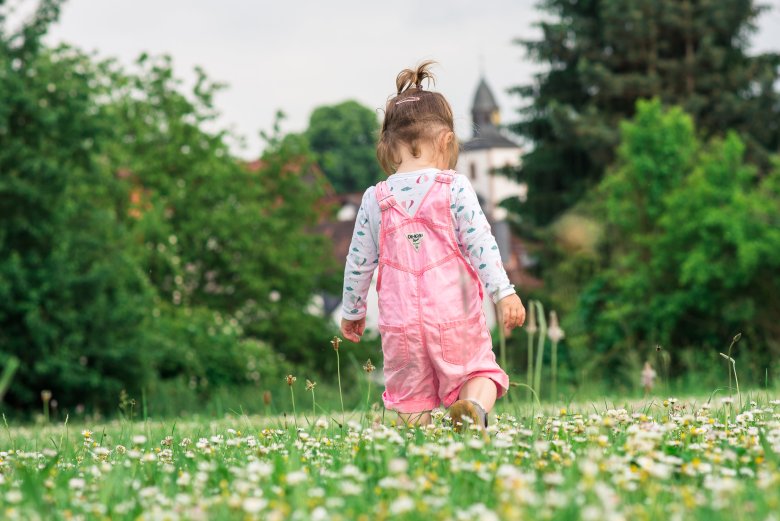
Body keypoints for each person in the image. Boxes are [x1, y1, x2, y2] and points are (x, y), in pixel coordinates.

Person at [339, 61, 526, 431]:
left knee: (410, 399)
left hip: (400, 323)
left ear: (389, 147)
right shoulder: (453, 187)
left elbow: (358, 262)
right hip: (453, 313)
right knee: (480, 372)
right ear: (446, 141)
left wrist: (353, 309)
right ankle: (472, 407)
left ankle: (417, 449)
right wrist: (503, 292)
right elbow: (481, 245)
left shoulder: (375, 198)